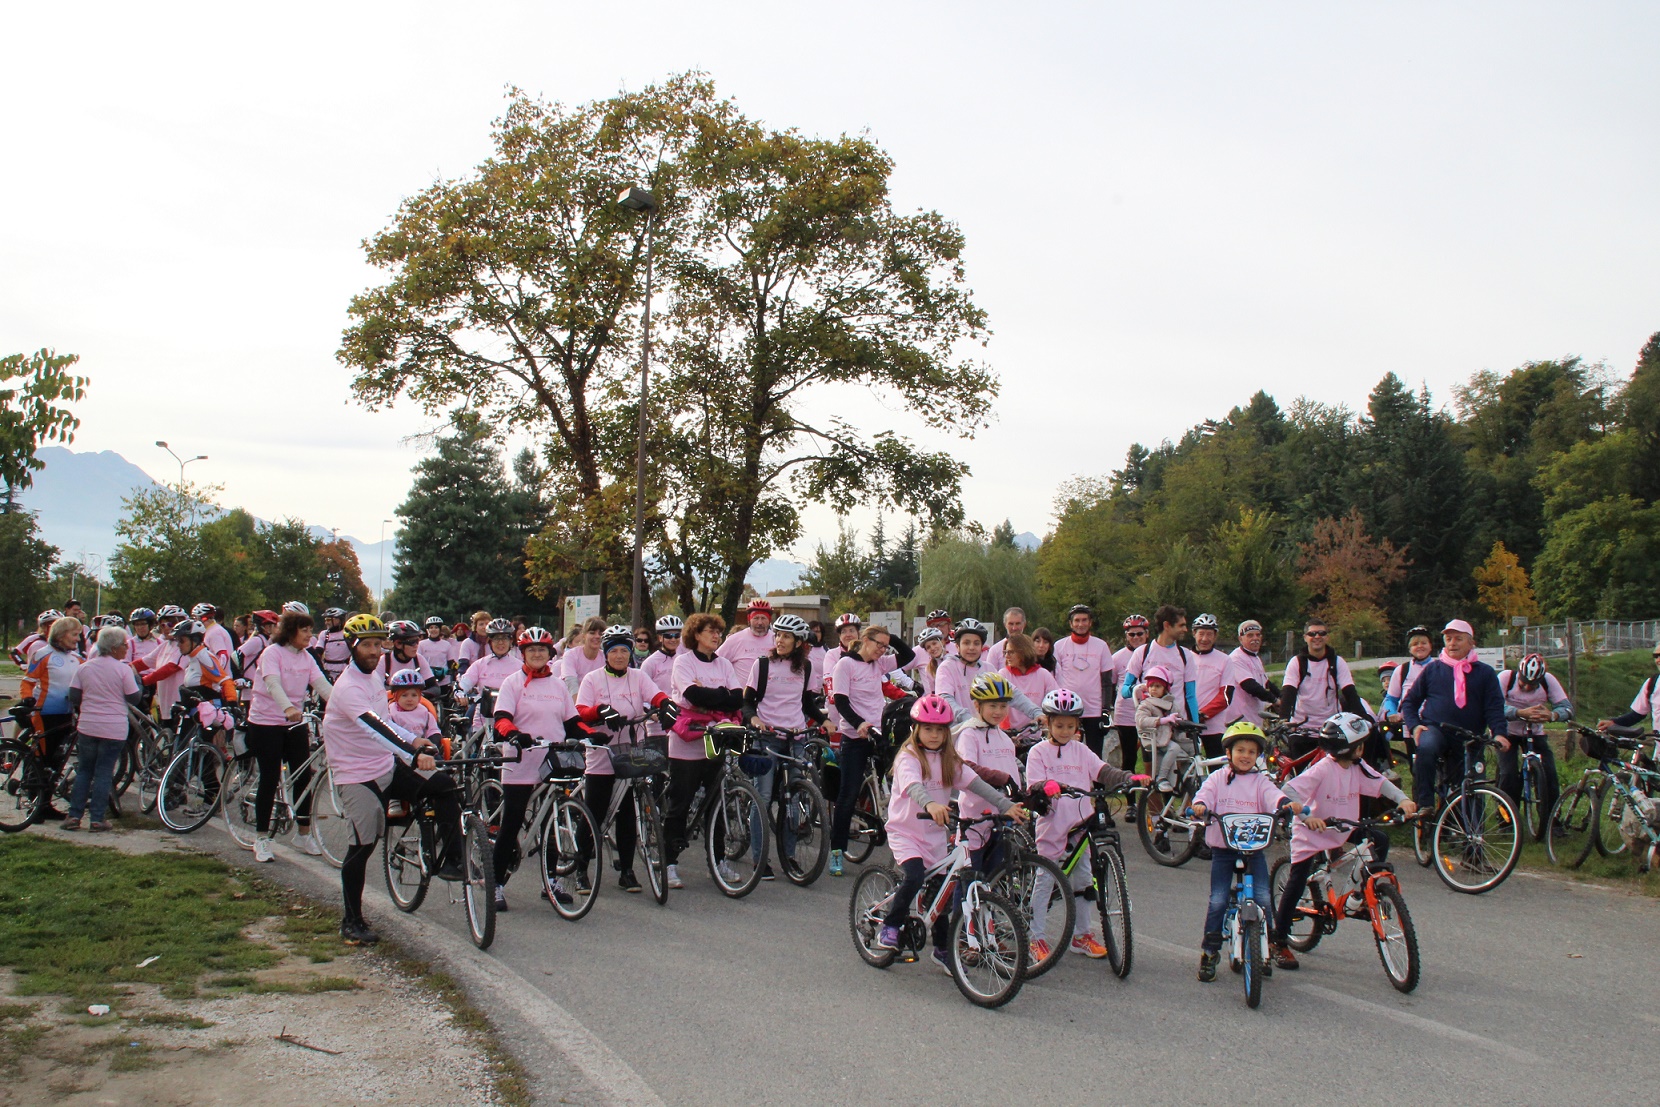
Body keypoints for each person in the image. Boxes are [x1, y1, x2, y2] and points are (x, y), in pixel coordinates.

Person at [324, 614, 463, 945]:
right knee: (362, 847)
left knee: (444, 786)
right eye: (367, 645)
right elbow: (375, 728)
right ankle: (352, 921)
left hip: (385, 764)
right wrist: (413, 753)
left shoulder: (374, 678)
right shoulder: (347, 688)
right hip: (357, 775)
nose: (374, 651)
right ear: (351, 647)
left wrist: (416, 741)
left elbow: (388, 721)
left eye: (378, 644)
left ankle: (451, 861)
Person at [875, 694, 1025, 970]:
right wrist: (931, 803)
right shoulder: (908, 757)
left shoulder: (948, 760)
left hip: (933, 836)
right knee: (915, 877)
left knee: (940, 895)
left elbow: (975, 783)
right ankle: (891, 925)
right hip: (905, 833)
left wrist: (1006, 805)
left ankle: (942, 949)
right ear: (916, 729)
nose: (934, 735)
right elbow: (913, 787)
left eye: (940, 730)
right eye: (928, 729)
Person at [1268, 713, 1416, 970]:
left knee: (1378, 840)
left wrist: (1403, 800)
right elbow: (1289, 791)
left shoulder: (1357, 766)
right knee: (1297, 879)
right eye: (1362, 744)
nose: (1364, 748)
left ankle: (1359, 895)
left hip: (1343, 827)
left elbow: (1380, 784)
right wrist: (1307, 815)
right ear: (1354, 747)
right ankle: (1278, 940)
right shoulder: (1322, 769)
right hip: (1313, 831)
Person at [1023, 687, 1143, 961]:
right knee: (1046, 878)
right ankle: (1035, 937)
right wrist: (1047, 785)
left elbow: (1103, 771)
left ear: (1078, 726)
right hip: (1052, 823)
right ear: (1049, 724)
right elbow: (1033, 785)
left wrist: (1128, 777)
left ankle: (1082, 935)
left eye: (1070, 726)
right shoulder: (1038, 752)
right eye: (1059, 725)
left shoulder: (1081, 750)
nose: (1065, 730)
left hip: (1081, 822)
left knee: (1083, 879)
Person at [1191, 720, 1302, 982]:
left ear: (1258, 757)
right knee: (1218, 900)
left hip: (1253, 851)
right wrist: (1199, 805)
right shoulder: (1218, 778)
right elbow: (1204, 795)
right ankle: (1210, 951)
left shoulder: (1260, 781)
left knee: (1263, 898)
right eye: (1240, 750)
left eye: (1251, 752)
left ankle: (1263, 948)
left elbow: (1274, 796)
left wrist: (1286, 804)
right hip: (1223, 849)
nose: (1245, 756)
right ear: (1228, 753)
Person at [489, 626, 589, 910]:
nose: (536, 654)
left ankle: (551, 881)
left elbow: (571, 722)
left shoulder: (557, 685)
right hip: (521, 761)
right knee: (512, 821)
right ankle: (495, 883)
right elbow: (501, 718)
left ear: (549, 654)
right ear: (522, 653)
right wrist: (513, 734)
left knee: (553, 822)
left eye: (541, 650)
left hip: (553, 761)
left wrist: (590, 734)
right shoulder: (512, 682)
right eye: (531, 649)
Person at [576, 627, 677, 894]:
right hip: (602, 753)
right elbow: (580, 712)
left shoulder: (638, 676)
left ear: (630, 652)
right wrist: (599, 711)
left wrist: (666, 704)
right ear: (605, 654)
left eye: (624, 650)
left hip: (631, 751)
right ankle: (581, 868)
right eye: (614, 651)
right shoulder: (592, 679)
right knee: (594, 813)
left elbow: (655, 695)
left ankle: (628, 871)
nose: (619, 656)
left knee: (628, 816)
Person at [828, 624, 918, 877]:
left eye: (885, 647)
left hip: (879, 734)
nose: (882, 650)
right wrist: (859, 724)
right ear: (865, 641)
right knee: (849, 793)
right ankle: (836, 851)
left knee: (898, 786)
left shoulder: (878, 664)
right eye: (878, 645)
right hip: (855, 735)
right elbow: (841, 700)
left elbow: (908, 657)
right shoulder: (845, 665)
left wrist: (892, 638)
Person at [245, 608, 334, 861]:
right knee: (270, 777)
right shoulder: (271, 653)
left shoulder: (306, 657)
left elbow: (323, 686)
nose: (309, 635)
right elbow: (272, 683)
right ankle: (262, 838)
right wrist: (287, 707)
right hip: (266, 722)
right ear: (290, 631)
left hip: (294, 724)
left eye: (310, 630)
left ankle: (303, 833)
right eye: (304, 630)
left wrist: (349, 708)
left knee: (303, 776)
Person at [665, 613, 745, 890]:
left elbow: (738, 697)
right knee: (680, 804)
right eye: (710, 631)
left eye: (718, 632)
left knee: (716, 804)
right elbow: (691, 696)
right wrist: (720, 695)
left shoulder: (723, 663)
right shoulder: (683, 662)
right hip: (687, 744)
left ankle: (718, 859)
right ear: (696, 635)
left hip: (715, 740)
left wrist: (712, 696)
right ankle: (669, 862)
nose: (716, 637)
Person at [741, 613, 824, 879]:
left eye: (786, 636)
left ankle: (789, 857)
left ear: (799, 642)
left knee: (794, 797)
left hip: (795, 737)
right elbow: (747, 701)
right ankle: (759, 859)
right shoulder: (762, 665)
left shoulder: (806, 668)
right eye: (777, 635)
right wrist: (753, 718)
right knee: (763, 797)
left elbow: (808, 703)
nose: (780, 640)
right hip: (767, 736)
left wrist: (825, 720)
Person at [1401, 619, 1509, 815]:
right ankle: (1425, 804)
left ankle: (1473, 836)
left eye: (1458, 639)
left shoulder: (1484, 673)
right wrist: (1415, 725)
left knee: (1472, 785)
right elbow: (1409, 702)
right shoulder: (1433, 669)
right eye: (1448, 639)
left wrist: (1499, 733)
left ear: (1471, 643)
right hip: (1437, 729)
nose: (1452, 643)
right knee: (1426, 748)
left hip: (1470, 736)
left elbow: (1494, 707)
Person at [61, 626, 144, 831]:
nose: (127, 648)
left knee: (84, 771)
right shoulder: (123, 669)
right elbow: (134, 697)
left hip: (88, 725)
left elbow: (74, 695)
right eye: (124, 645)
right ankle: (97, 818)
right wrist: (138, 682)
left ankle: (74, 815)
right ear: (114, 648)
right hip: (113, 727)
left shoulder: (85, 667)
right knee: (104, 772)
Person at [1495, 653, 1570, 821]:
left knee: (1549, 773)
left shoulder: (1548, 680)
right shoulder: (1506, 678)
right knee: (1508, 774)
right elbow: (1492, 706)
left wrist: (1552, 716)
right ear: (1519, 674)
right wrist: (1518, 712)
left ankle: (1551, 820)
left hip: (1534, 732)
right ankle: (1506, 819)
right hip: (1508, 732)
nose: (1528, 688)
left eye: (1533, 685)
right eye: (1524, 683)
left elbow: (1567, 708)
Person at [21, 615, 85, 801]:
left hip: (66, 714)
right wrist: (26, 700)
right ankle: (35, 803)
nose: (78, 639)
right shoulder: (43, 654)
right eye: (74, 635)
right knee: (42, 758)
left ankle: (46, 802)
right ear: (61, 635)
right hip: (45, 713)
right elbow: (28, 682)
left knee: (57, 760)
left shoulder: (76, 658)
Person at [932, 618, 1040, 726]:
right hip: (958, 732)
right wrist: (969, 720)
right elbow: (945, 700)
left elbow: (1012, 693)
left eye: (976, 643)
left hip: (985, 731)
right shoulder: (947, 667)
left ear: (981, 647)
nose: (971, 648)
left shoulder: (988, 669)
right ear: (957, 646)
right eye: (966, 643)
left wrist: (1036, 712)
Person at [1278, 618, 1365, 744]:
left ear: (1327, 637)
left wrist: (1363, 717)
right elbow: (1288, 692)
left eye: (1322, 633)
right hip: (1302, 727)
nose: (1317, 637)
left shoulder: (1337, 662)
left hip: (1332, 727)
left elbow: (1349, 692)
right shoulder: (1297, 663)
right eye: (1312, 634)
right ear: (1305, 637)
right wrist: (1284, 719)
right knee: (1301, 762)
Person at [1053, 604, 1116, 760]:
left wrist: (1105, 709)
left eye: (1084, 620)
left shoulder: (1101, 645)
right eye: (1077, 621)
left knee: (1095, 753)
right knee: (1066, 751)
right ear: (1071, 623)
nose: (1080, 624)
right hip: (1067, 707)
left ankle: (1098, 784)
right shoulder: (1059, 646)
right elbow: (1053, 678)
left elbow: (1107, 681)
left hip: (1093, 709)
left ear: (1090, 622)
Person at [1119, 605, 1199, 726]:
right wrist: (1144, 688)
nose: (1185, 629)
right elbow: (1125, 691)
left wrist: (1195, 726)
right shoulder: (1142, 652)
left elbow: (1191, 696)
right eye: (1181, 625)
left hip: (1178, 723)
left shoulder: (1185, 655)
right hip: (1152, 726)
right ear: (1167, 625)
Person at [1381, 626, 1437, 753]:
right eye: (1415, 644)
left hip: (1434, 725)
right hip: (1410, 725)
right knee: (1415, 766)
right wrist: (1391, 713)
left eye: (1424, 643)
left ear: (1431, 646)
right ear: (1410, 649)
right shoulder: (1402, 670)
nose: (1420, 646)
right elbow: (1391, 698)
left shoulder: (1439, 668)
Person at [1136, 665, 1191, 792]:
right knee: (1174, 748)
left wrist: (1179, 722)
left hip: (1171, 737)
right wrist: (1161, 720)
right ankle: (1162, 777)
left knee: (1193, 749)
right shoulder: (1146, 704)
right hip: (1156, 739)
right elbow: (1141, 720)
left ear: (1165, 689)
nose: (1153, 689)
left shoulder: (1171, 704)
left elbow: (1179, 717)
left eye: (1158, 686)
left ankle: (1188, 779)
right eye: (1151, 686)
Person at [455, 618, 521, 721]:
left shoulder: (519, 667)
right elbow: (465, 682)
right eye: (496, 639)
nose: (500, 643)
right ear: (489, 642)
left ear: (511, 641)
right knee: (465, 723)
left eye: (504, 638)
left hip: (511, 717)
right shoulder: (480, 664)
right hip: (483, 718)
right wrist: (460, 691)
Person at [1110, 614, 1151, 771]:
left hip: (1150, 713)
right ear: (1126, 636)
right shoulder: (1117, 658)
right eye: (1131, 634)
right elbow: (1113, 685)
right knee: (1129, 758)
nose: (1136, 637)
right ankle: (1130, 793)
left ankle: (1151, 792)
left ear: (1146, 634)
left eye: (1140, 633)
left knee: (1151, 756)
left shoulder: (1153, 653)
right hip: (1126, 715)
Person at [997, 633, 1058, 734]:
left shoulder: (1042, 674)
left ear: (1024, 652)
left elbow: (1055, 701)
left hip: (1035, 734)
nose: (1007, 656)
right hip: (1009, 734)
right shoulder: (1003, 675)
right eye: (1005, 652)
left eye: (1011, 652)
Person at [1189, 614, 1232, 759]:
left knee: (1217, 767)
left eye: (1209, 634)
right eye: (1201, 634)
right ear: (1194, 634)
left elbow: (1226, 695)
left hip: (1214, 726)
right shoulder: (1184, 657)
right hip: (1187, 722)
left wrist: (1203, 714)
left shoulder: (1225, 660)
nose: (1204, 639)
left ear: (1215, 636)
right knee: (1186, 768)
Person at [1223, 620, 1277, 730]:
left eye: (1258, 635)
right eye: (1250, 635)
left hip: (1253, 718)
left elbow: (1266, 683)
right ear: (1240, 638)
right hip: (1240, 720)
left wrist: (1283, 697)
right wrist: (1275, 700)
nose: (1255, 638)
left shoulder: (1255, 657)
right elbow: (1250, 686)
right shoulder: (1236, 658)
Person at [1600, 639, 1660, 734]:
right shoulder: (1652, 683)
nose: (1658, 660)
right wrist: (1614, 723)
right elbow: (1638, 714)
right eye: (1655, 656)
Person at [821, 613, 863, 740]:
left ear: (858, 633)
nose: (848, 634)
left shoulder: (865, 654)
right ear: (839, 636)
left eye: (851, 630)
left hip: (862, 710)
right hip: (838, 711)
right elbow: (829, 679)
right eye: (844, 632)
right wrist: (834, 696)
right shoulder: (832, 654)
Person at [716, 599, 774, 685]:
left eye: (763, 618)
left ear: (769, 620)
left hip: (770, 696)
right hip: (741, 696)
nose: (760, 623)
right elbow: (715, 662)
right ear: (749, 619)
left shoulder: (776, 639)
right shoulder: (735, 639)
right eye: (756, 618)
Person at [560, 617, 607, 695]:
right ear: (584, 635)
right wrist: (579, 706)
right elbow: (571, 684)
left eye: (601, 634)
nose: (597, 636)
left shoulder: (606, 657)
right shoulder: (571, 655)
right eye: (592, 633)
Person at [418, 616, 458, 693]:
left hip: (443, 681)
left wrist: (457, 669)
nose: (433, 630)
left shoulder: (447, 644)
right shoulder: (421, 644)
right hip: (427, 680)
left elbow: (451, 662)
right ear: (427, 630)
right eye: (431, 627)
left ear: (440, 629)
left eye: (436, 627)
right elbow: (417, 661)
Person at [312, 608, 352, 682]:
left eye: (329, 620)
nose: (326, 623)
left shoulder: (347, 634)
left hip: (344, 672)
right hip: (328, 672)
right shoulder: (324, 634)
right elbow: (318, 652)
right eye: (326, 620)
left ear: (338, 620)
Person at [193, 604, 234, 671]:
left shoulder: (215, 632)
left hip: (219, 679)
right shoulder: (211, 630)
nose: (194, 621)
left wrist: (218, 674)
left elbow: (223, 656)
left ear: (203, 618)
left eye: (196, 618)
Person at [239, 610, 279, 675]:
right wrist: (238, 676)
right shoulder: (257, 641)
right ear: (267, 627)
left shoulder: (266, 641)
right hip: (249, 680)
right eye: (274, 625)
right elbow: (236, 655)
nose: (277, 628)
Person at [125, 608, 163, 675]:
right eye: (137, 624)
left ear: (150, 625)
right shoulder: (130, 644)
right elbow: (125, 665)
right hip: (138, 679)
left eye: (143, 624)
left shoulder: (160, 643)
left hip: (156, 678)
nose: (140, 627)